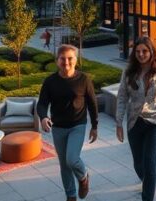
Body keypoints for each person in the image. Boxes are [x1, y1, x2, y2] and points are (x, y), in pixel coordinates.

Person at [115, 37, 156, 201]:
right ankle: (147, 183)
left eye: (145, 51)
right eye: (138, 51)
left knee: (150, 164)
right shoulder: (128, 72)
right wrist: (118, 123)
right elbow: (122, 97)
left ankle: (147, 196)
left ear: (151, 52)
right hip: (135, 122)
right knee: (138, 164)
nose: (141, 54)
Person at [38, 44, 98, 201]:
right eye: (62, 59)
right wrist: (43, 117)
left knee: (71, 159)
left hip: (77, 125)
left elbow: (92, 103)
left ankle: (83, 176)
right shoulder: (50, 81)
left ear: (76, 60)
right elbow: (42, 103)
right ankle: (70, 196)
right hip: (58, 127)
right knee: (64, 165)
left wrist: (95, 126)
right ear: (57, 61)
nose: (66, 62)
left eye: (70, 58)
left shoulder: (84, 79)